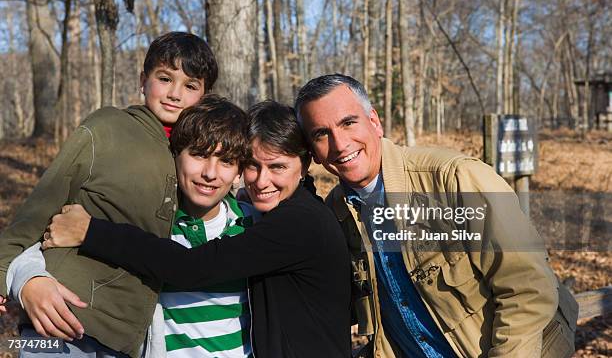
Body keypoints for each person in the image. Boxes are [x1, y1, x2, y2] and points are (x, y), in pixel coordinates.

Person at [292, 74, 578, 358]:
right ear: (313, 153)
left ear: (374, 122)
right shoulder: (335, 214)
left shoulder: (453, 179)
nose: (340, 144)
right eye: (321, 134)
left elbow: (528, 288)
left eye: (348, 123)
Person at [43, 101, 352, 358]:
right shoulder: (273, 213)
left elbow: (193, 266)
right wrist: (25, 279)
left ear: (305, 164)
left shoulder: (298, 222)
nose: (260, 181)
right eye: (253, 166)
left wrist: (92, 232)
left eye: (278, 167)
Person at [0, 32, 218, 357]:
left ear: (204, 95)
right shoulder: (107, 128)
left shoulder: (194, 156)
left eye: (190, 86)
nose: (175, 94)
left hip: (127, 336)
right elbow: (41, 206)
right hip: (65, 316)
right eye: (164, 78)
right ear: (143, 80)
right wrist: (7, 274)